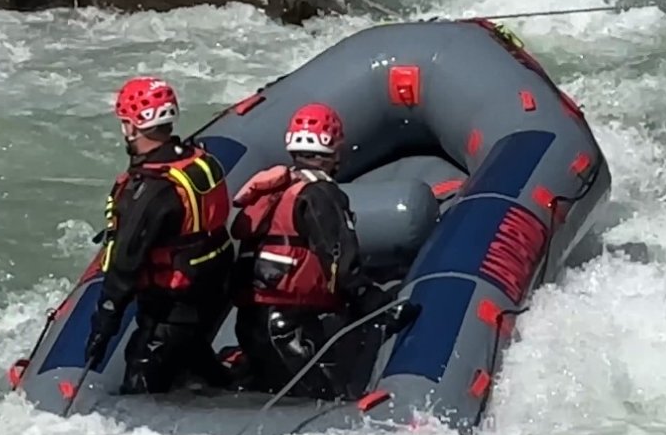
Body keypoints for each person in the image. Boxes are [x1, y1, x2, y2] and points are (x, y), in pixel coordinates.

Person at [228, 102, 418, 400]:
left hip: (252, 321)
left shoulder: (280, 187)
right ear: (334, 150)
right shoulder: (320, 194)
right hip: (287, 328)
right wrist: (381, 307)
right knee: (320, 401)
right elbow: (342, 263)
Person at [84, 76, 236, 395]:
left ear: (132, 126)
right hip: (212, 288)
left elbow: (126, 264)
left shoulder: (152, 190)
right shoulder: (197, 160)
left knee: (142, 374)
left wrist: (104, 324)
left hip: (173, 304)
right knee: (191, 352)